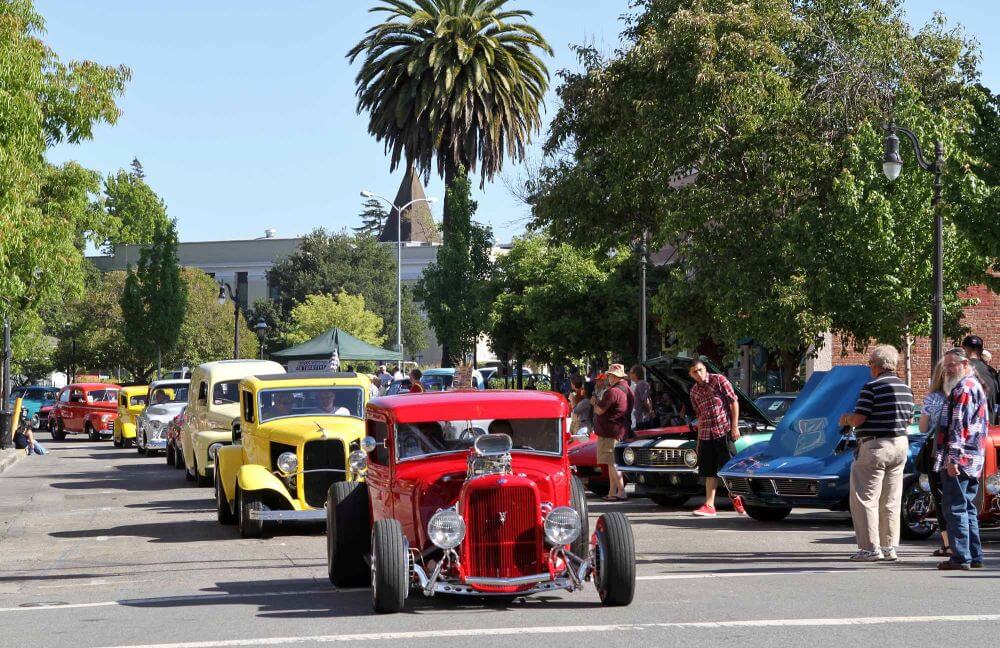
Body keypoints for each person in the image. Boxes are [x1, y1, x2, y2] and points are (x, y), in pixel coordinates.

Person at [838, 345, 913, 562]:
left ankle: (870, 548)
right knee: (891, 499)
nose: (869, 367)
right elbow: (909, 419)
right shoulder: (905, 388)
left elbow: (859, 418)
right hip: (900, 444)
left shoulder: (871, 387)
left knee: (865, 498)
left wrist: (846, 419)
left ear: (876, 366)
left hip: (875, 446)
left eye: (870, 363)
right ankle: (889, 547)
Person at [935, 348, 988, 570]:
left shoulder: (963, 388)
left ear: (965, 364)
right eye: (946, 366)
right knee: (967, 508)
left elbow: (958, 427)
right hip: (973, 458)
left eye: (951, 365)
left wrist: (953, 459)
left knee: (955, 508)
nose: (947, 370)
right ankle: (974, 556)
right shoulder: (974, 385)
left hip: (961, 459)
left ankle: (961, 557)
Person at [688, 359, 740, 517]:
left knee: (730, 469)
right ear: (691, 374)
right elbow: (700, 417)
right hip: (706, 434)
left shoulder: (719, 380)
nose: (699, 374)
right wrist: (698, 442)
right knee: (709, 471)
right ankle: (710, 505)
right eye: (695, 372)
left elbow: (733, 402)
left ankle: (738, 499)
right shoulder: (694, 392)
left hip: (723, 431)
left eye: (700, 369)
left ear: (705, 368)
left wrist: (735, 427)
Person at [919, 359, 950, 557]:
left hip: (936, 450)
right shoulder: (963, 394)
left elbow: (923, 427)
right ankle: (964, 542)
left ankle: (948, 543)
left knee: (939, 496)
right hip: (960, 451)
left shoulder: (932, 399)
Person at [591, 363, 632, 501]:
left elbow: (599, 410)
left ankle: (621, 491)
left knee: (613, 463)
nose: (607, 378)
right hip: (620, 430)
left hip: (610, 431)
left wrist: (594, 402)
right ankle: (612, 492)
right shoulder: (627, 390)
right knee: (611, 463)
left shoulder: (613, 392)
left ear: (614, 377)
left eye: (609, 375)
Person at [962, 335, 999, 424]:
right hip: (990, 425)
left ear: (964, 348)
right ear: (981, 350)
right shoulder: (992, 372)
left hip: (969, 426)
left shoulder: (962, 370)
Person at [629, 365, 654, 430]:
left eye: (631, 373)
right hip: (638, 418)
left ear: (636, 374)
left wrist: (650, 412)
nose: (630, 374)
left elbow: (646, 401)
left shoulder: (641, 384)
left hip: (643, 419)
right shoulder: (638, 384)